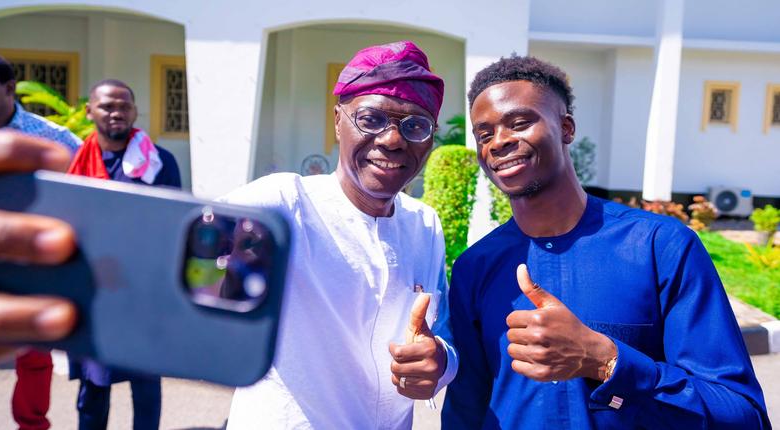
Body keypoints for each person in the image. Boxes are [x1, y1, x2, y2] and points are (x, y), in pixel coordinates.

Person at [441, 55, 771, 429]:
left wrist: (605, 361)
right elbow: (465, 412)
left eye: (519, 123)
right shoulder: (475, 267)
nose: (498, 142)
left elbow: (742, 415)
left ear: (566, 127)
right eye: (484, 134)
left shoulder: (661, 247)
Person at [223, 40, 458, 429]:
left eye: (415, 126)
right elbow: (184, 246)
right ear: (337, 120)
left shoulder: (424, 225)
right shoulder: (285, 202)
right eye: (372, 119)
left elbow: (444, 333)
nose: (392, 140)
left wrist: (441, 362)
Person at [67, 79, 181, 430]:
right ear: (89, 111)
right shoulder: (75, 162)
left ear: (134, 110)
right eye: (107, 106)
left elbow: (172, 226)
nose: (117, 112)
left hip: (142, 292)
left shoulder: (159, 162)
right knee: (94, 385)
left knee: (145, 381)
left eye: (124, 105)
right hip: (93, 291)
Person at [0, 53, 82, 430]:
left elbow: (87, 195)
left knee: (34, 356)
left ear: (10, 89)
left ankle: (31, 424)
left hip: (34, 263)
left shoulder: (53, 140)